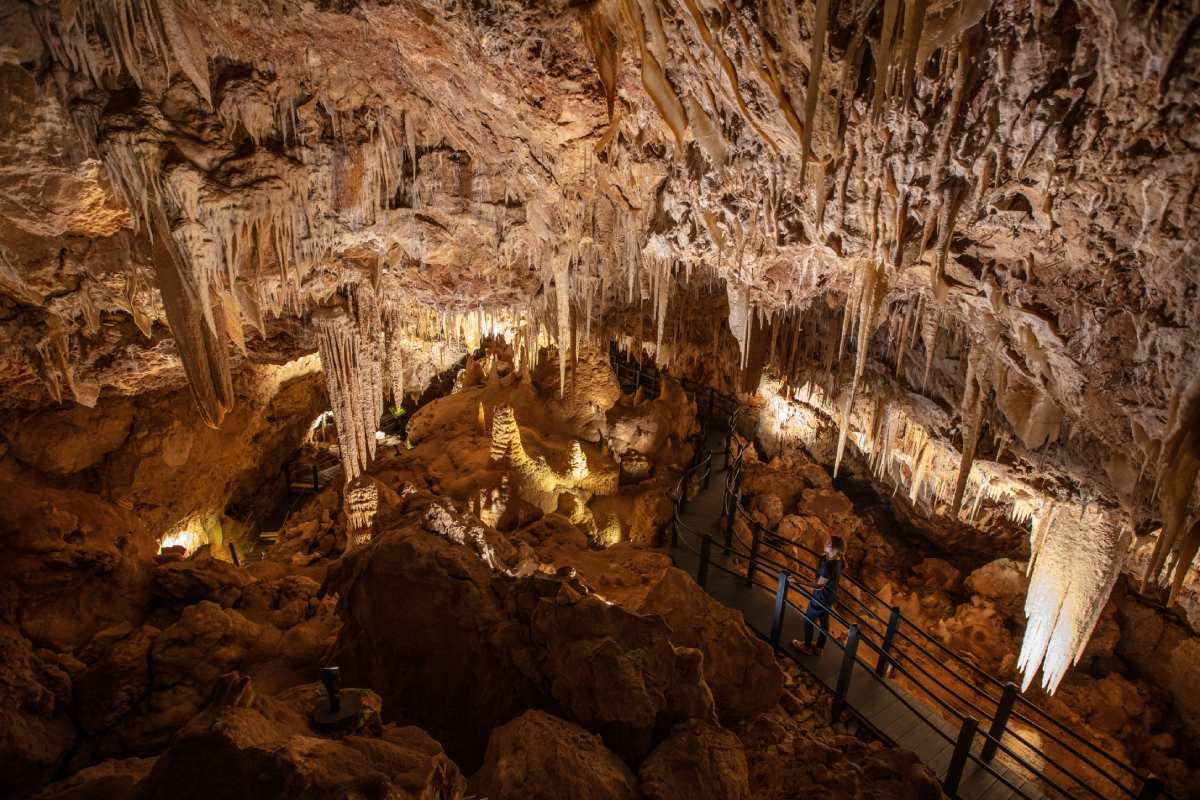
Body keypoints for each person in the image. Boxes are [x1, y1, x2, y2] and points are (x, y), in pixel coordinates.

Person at [790, 536, 845, 656]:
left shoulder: (828, 566)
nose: (825, 543)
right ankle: (820, 647)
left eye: (828, 543)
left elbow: (818, 586)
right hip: (829, 597)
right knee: (824, 623)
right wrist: (825, 556)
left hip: (820, 598)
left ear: (834, 548)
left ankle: (807, 646)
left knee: (809, 620)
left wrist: (797, 581)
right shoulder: (839, 561)